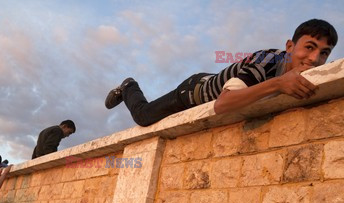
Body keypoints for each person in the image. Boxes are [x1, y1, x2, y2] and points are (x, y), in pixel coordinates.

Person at [105, 19, 338, 126]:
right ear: (289, 47)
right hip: (191, 92)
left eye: (324, 53)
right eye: (309, 47)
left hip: (213, 80)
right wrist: (278, 84)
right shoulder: (269, 60)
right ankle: (128, 86)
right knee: (144, 117)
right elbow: (223, 104)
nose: (315, 59)